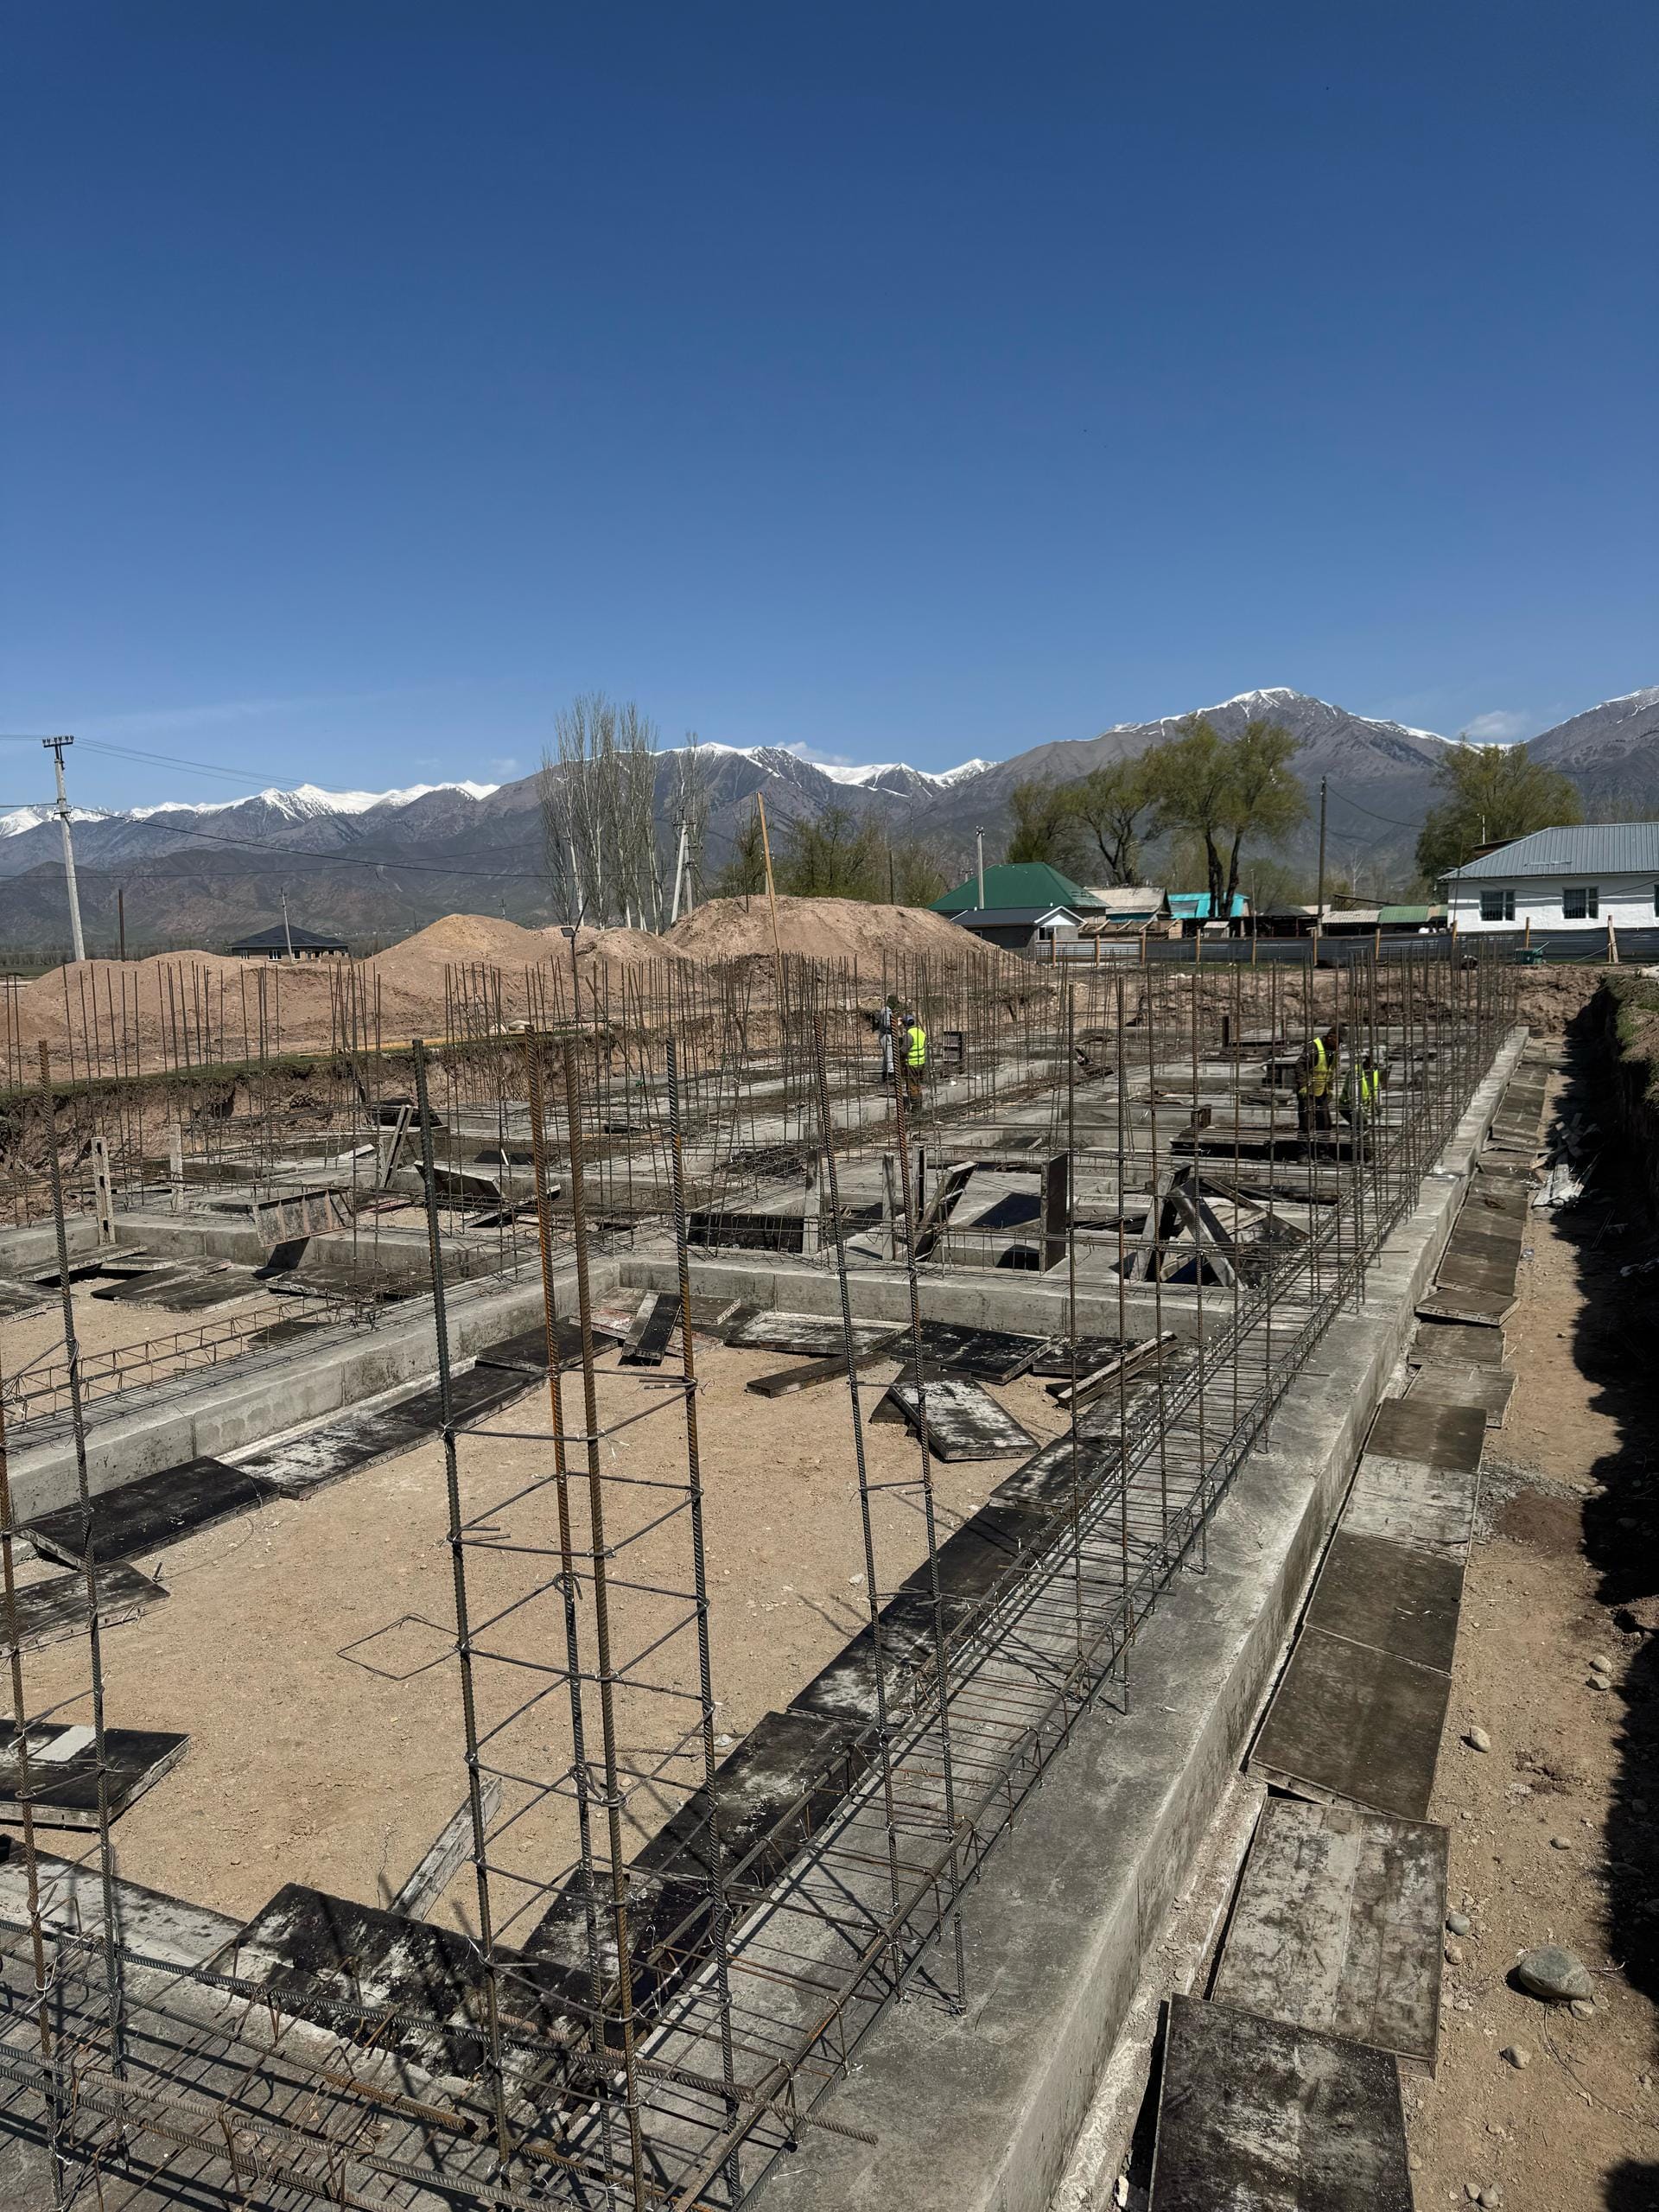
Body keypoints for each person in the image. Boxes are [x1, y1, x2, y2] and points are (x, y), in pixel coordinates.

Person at [1296, 1023, 1340, 1144]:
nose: (1338, 1045)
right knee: (1306, 1123)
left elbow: (1330, 1070)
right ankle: (1304, 1152)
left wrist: (1329, 1088)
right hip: (1308, 1091)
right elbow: (1300, 1065)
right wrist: (1303, 1085)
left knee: (1325, 1123)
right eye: (1338, 1041)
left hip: (1322, 1091)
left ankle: (1322, 1150)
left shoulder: (1334, 1050)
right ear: (1330, 1037)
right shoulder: (1314, 1046)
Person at [903, 1009, 927, 1112]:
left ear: (905, 1024)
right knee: (917, 1084)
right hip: (921, 1062)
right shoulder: (920, 1032)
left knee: (912, 1085)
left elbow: (904, 1050)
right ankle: (919, 1105)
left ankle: (916, 1109)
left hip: (912, 1063)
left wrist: (897, 1053)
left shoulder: (909, 1034)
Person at [878, 994, 899, 1086]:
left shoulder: (885, 1009)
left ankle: (884, 1075)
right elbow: (887, 1024)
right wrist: (897, 1022)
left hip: (884, 1035)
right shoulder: (887, 1010)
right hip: (887, 1035)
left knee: (887, 1056)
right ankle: (891, 1077)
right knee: (890, 1056)